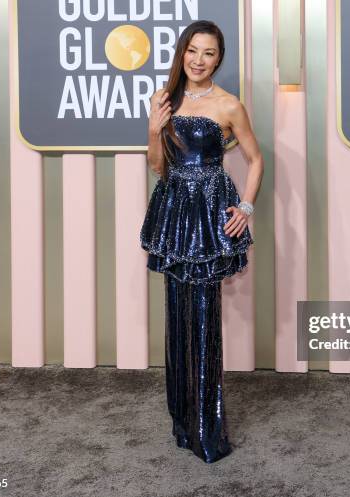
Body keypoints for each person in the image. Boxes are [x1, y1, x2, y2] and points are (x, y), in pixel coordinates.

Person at [140, 20, 264, 463]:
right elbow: (159, 167)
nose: (198, 60)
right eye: (192, 51)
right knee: (176, 313)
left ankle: (207, 427)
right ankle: (182, 420)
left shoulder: (229, 105)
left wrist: (245, 207)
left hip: (211, 213)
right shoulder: (163, 99)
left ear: (219, 58)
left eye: (208, 53)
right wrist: (155, 130)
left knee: (205, 317)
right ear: (182, 53)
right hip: (175, 211)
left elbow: (255, 159)